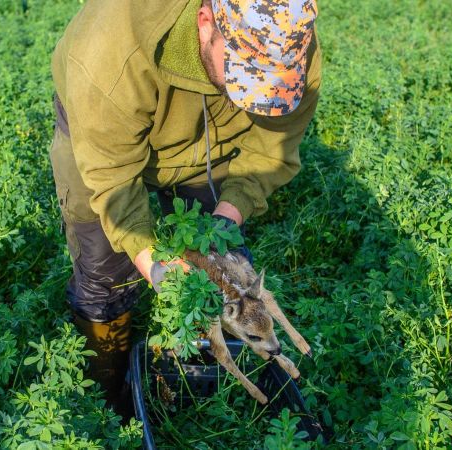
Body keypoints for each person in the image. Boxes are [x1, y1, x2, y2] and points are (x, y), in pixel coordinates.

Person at [48, 0, 320, 412]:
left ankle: (204, 379)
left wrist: (223, 222)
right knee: (106, 273)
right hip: (103, 138)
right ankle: (108, 401)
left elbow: (269, 149)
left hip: (214, 136)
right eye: (245, 78)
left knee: (222, 269)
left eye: (267, 90)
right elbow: (112, 179)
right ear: (205, 20)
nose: (256, 94)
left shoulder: (290, 39)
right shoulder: (110, 54)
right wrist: (157, 267)